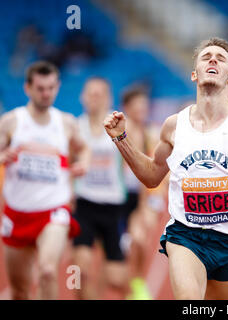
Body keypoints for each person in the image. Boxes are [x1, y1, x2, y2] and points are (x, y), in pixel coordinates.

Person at [103, 37, 228, 300]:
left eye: (220, 58)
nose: (213, 59)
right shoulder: (173, 125)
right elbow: (151, 176)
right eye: (206, 57)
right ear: (194, 74)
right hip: (185, 235)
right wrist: (121, 138)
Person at [0, 61, 89, 299]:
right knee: (19, 291)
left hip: (53, 210)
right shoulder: (11, 122)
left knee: (48, 271)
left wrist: (83, 163)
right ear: (28, 88)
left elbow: (83, 149)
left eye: (50, 87)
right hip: (17, 213)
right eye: (40, 88)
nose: (46, 93)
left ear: (57, 87)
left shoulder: (66, 122)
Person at [72, 77, 129, 299]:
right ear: (82, 97)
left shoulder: (121, 127)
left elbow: (133, 165)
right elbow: (67, 162)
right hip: (84, 204)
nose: (94, 99)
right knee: (79, 271)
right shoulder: (76, 127)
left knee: (117, 279)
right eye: (90, 94)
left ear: (108, 98)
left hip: (113, 207)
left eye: (99, 94)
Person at [119, 86, 158, 300]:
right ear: (127, 108)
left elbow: (147, 172)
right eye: (138, 106)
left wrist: (145, 206)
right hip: (115, 198)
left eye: (145, 105)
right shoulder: (116, 132)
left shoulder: (148, 133)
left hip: (136, 198)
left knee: (140, 241)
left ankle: (137, 284)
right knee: (116, 254)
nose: (143, 109)